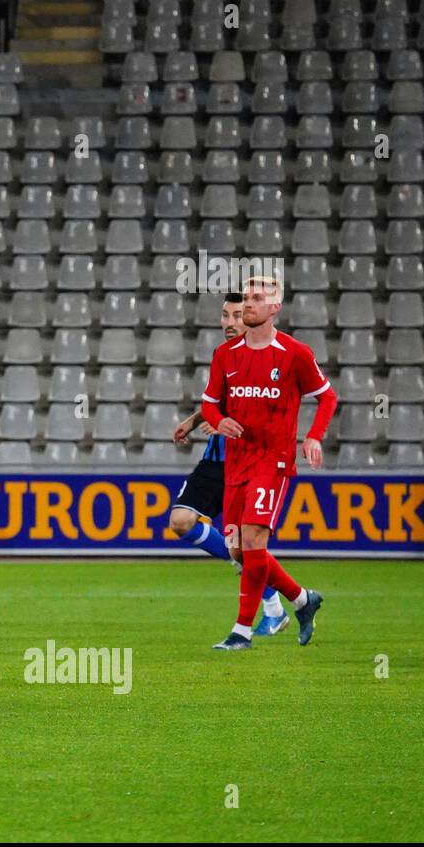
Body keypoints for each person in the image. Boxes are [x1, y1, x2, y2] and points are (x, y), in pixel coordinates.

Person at [202, 276, 337, 651]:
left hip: (273, 461)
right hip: (237, 462)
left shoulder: (294, 353)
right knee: (238, 551)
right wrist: (217, 421)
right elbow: (210, 403)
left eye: (257, 298)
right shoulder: (225, 355)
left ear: (275, 307)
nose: (248, 304)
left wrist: (312, 436)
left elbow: (327, 398)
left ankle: (241, 632)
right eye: (247, 297)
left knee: (254, 538)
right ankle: (301, 600)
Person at [170, 292, 286, 634]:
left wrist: (226, 419)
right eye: (225, 315)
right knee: (181, 521)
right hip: (215, 462)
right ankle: (282, 602)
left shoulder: (269, 356)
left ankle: (279, 606)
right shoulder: (225, 357)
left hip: (250, 464)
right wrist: (193, 421)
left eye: (237, 315)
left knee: (245, 549)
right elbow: (215, 401)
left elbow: (270, 410)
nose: (230, 323)